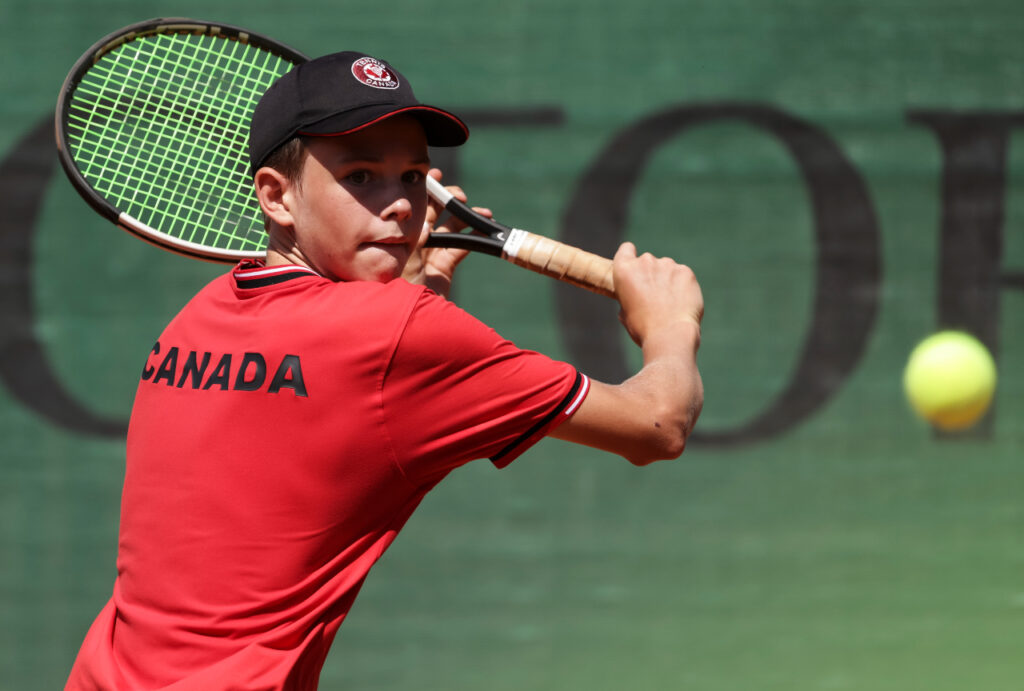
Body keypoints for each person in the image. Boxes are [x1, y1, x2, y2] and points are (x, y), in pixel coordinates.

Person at [65, 51, 704, 690]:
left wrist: (421, 289)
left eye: (411, 176)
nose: (399, 205)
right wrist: (671, 327)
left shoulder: (196, 318)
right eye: (362, 175)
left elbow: (367, 407)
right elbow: (656, 423)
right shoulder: (401, 332)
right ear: (276, 195)